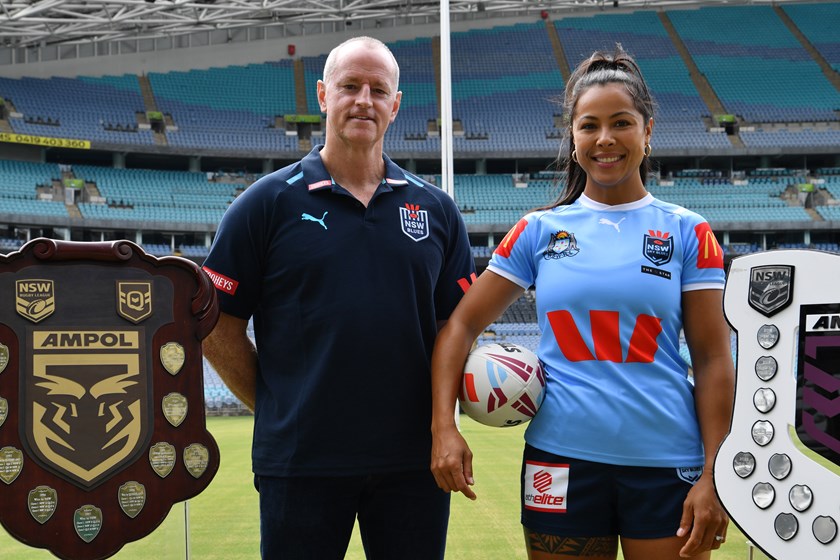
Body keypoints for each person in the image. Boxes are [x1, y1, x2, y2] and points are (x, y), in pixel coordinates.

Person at [430, 45, 735, 560]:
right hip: (560, 464)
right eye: (589, 125)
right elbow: (460, 326)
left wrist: (715, 474)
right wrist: (444, 426)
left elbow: (711, 359)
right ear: (572, 139)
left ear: (648, 131)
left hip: (667, 465)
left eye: (622, 123)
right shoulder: (537, 231)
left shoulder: (689, 232)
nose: (605, 139)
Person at [202, 36, 475, 559]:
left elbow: (456, 328)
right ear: (325, 95)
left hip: (413, 463)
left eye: (379, 90)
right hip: (300, 461)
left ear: (396, 106)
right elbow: (216, 324)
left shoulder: (437, 211)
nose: (364, 100)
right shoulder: (265, 204)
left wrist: (444, 424)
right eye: (351, 86)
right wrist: (276, 405)